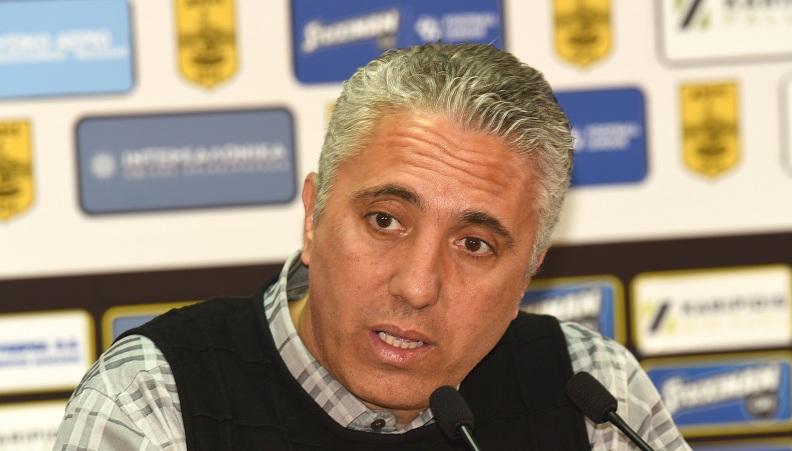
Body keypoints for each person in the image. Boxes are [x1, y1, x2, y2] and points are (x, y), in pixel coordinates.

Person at [53, 44, 690, 450]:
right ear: (313, 217)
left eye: (474, 244)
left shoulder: (591, 392)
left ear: (528, 270)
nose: (417, 286)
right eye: (385, 221)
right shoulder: (156, 399)